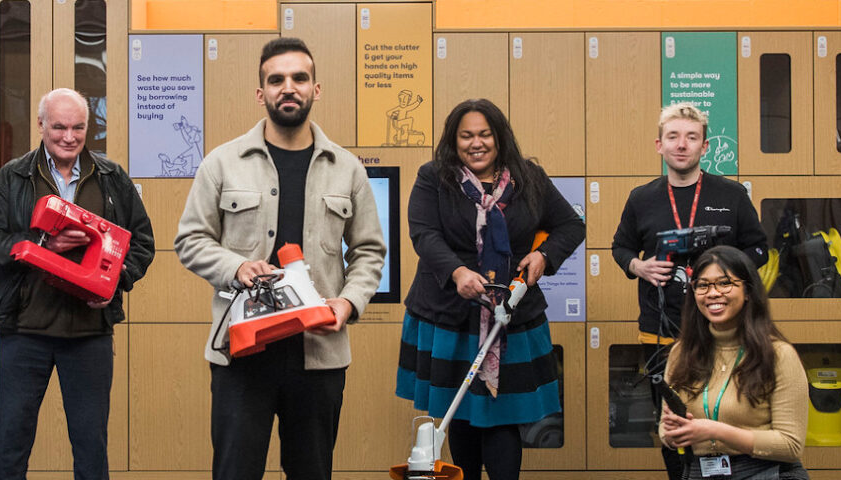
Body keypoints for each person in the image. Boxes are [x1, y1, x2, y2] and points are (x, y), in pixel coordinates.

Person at [175, 37, 387, 480]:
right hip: (242, 355)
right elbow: (191, 240)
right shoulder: (222, 163)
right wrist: (236, 267)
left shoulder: (347, 169)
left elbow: (368, 251)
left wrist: (348, 304)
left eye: (299, 78)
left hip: (318, 354)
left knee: (311, 472)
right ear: (261, 93)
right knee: (235, 472)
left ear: (316, 89)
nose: (288, 88)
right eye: (276, 80)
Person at [0, 88, 155, 480]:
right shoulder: (12, 177)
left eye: (78, 127)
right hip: (24, 331)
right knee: (11, 446)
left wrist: (114, 282)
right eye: (58, 127)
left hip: (89, 335)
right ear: (40, 126)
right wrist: (40, 243)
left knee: (91, 450)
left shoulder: (112, 178)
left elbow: (142, 244)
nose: (69, 137)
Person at [395, 98, 585, 479]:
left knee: (502, 416)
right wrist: (457, 272)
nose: (475, 143)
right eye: (466, 136)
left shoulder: (529, 178)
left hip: (511, 316)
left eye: (485, 134)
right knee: (460, 412)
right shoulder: (433, 177)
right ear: (454, 140)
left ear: (500, 138)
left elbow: (571, 226)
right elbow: (424, 234)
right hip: (450, 315)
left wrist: (543, 256)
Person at [610, 102, 770, 479]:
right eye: (673, 137)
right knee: (673, 424)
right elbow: (620, 248)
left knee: (728, 412)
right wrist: (639, 266)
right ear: (659, 145)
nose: (682, 145)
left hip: (726, 330)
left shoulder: (731, 194)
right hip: (662, 330)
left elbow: (760, 248)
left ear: (705, 146)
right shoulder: (641, 197)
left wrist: (723, 274)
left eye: (691, 137)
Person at [658, 246, 810, 480]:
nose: (713, 293)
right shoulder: (681, 352)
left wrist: (714, 431)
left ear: (748, 291)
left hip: (766, 472)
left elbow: (791, 445)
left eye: (724, 283)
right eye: (702, 285)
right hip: (699, 471)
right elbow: (665, 431)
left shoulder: (779, 354)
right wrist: (672, 434)